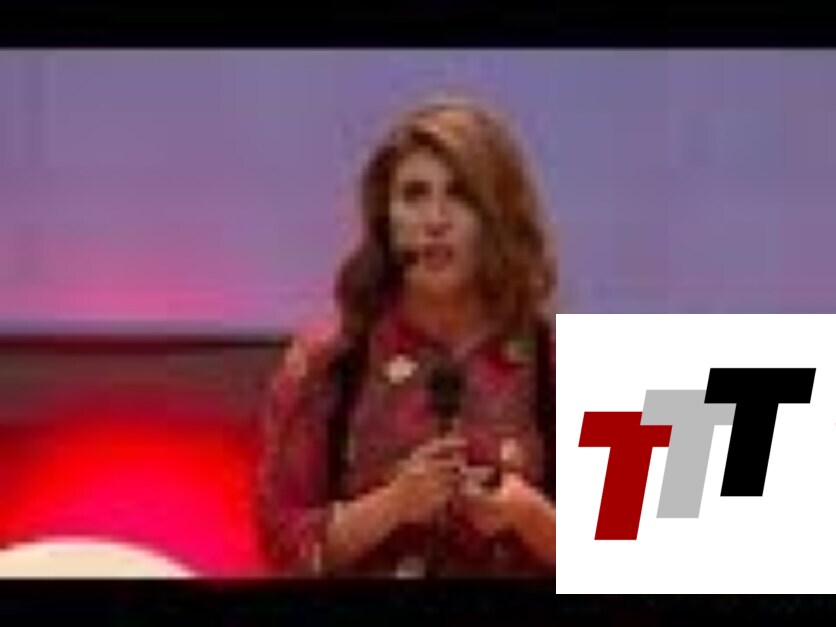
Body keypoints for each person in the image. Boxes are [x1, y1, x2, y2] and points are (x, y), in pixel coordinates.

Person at [256, 95, 556, 578]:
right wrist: (392, 505)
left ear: (498, 216)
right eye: (414, 195)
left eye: (461, 195)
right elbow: (281, 544)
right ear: (386, 218)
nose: (435, 221)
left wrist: (529, 516)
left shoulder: (560, 360)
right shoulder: (329, 361)